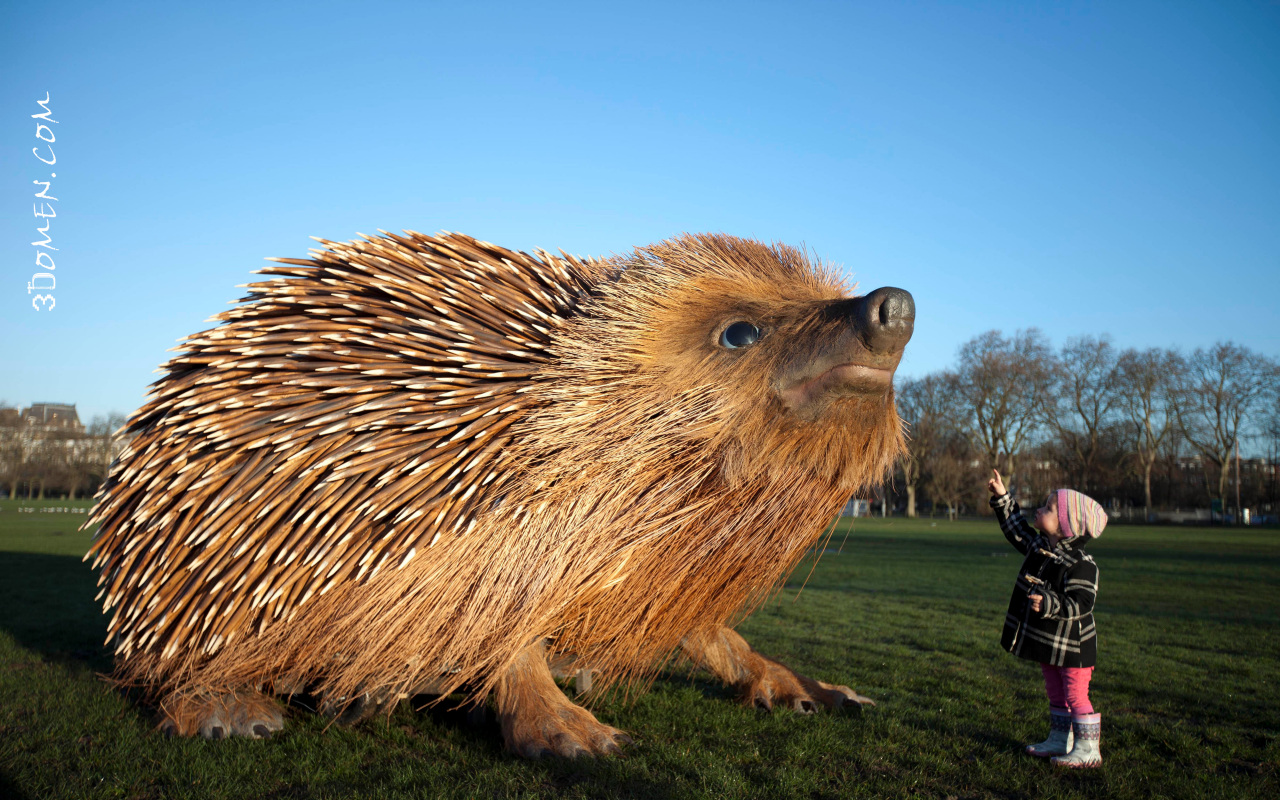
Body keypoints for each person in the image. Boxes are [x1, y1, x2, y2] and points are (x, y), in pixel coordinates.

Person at [986, 469, 1107, 768]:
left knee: (1076, 694)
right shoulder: (1040, 547)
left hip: (1074, 646)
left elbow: (1081, 603)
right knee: (1054, 690)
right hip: (1050, 642)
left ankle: (1089, 748)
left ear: (1066, 525)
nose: (1040, 510)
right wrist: (1003, 498)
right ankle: (1060, 738)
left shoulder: (1082, 564)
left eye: (1049, 508)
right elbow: (1017, 530)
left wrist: (1051, 602)